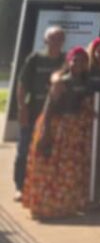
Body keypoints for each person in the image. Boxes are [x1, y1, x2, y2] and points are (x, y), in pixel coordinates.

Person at [21, 47, 91, 220]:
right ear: (69, 62)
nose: (78, 64)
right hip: (56, 125)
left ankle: (64, 207)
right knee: (50, 166)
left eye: (82, 61)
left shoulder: (85, 82)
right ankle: (45, 207)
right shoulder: (61, 82)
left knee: (69, 168)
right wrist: (45, 131)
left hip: (74, 129)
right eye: (75, 60)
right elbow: (49, 106)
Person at [14, 26, 65, 200]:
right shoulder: (35, 59)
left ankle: (47, 188)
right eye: (53, 38)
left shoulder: (66, 61)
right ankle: (20, 187)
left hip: (57, 115)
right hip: (33, 112)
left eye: (60, 38)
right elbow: (22, 85)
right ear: (45, 40)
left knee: (53, 151)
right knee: (24, 150)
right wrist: (22, 108)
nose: (56, 42)